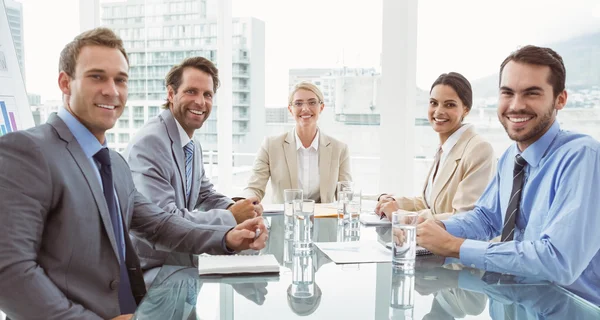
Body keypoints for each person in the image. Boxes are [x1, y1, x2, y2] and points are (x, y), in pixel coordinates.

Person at [0, 28, 267, 320]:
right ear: (65, 83)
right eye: (96, 76)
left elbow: (160, 226)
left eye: (120, 80)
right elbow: (10, 272)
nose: (112, 90)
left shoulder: (114, 163)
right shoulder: (27, 150)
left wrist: (227, 238)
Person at [416, 45, 600, 306]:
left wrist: (455, 246)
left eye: (531, 93)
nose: (516, 105)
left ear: (560, 99)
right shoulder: (511, 159)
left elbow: (558, 260)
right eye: (507, 93)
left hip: (570, 308)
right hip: (513, 301)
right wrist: (437, 228)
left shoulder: (582, 156)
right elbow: (486, 218)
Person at [124, 56, 263, 286]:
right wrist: (231, 217)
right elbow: (166, 219)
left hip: (184, 260)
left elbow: (204, 194)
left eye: (207, 95)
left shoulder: (189, 142)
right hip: (154, 269)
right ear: (171, 94)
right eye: (191, 92)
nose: (200, 101)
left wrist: (239, 208)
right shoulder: (150, 143)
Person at [375, 72, 495, 220]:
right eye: (433, 103)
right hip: (432, 241)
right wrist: (394, 203)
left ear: (466, 109)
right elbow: (432, 204)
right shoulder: (446, 148)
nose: (438, 111)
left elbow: (464, 217)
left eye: (449, 105)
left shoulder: (478, 149)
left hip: (458, 242)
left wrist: (399, 215)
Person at [242, 81, 352, 203]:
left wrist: (376, 199)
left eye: (312, 102)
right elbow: (254, 188)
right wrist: (246, 203)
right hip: (285, 220)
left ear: (321, 107)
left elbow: (346, 194)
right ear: (290, 109)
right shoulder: (271, 145)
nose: (305, 108)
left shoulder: (339, 149)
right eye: (298, 103)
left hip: (323, 220)